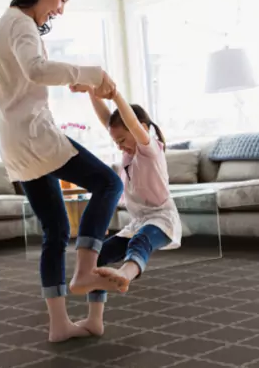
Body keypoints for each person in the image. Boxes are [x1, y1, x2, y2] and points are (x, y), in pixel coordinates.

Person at [0, 0, 124, 343]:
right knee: (109, 183)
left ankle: (59, 324)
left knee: (55, 230)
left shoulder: (9, 21)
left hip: (15, 142)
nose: (61, 9)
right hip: (34, 137)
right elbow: (36, 69)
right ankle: (85, 269)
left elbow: (29, 74)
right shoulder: (20, 22)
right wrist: (92, 74)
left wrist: (72, 80)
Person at [69, 84, 182, 336]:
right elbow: (108, 120)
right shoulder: (130, 153)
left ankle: (125, 275)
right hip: (138, 222)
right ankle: (94, 320)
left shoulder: (150, 148)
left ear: (140, 129)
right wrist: (91, 92)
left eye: (122, 140)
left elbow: (128, 120)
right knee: (95, 259)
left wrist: (117, 96)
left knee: (140, 242)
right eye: (116, 142)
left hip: (162, 219)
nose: (120, 146)